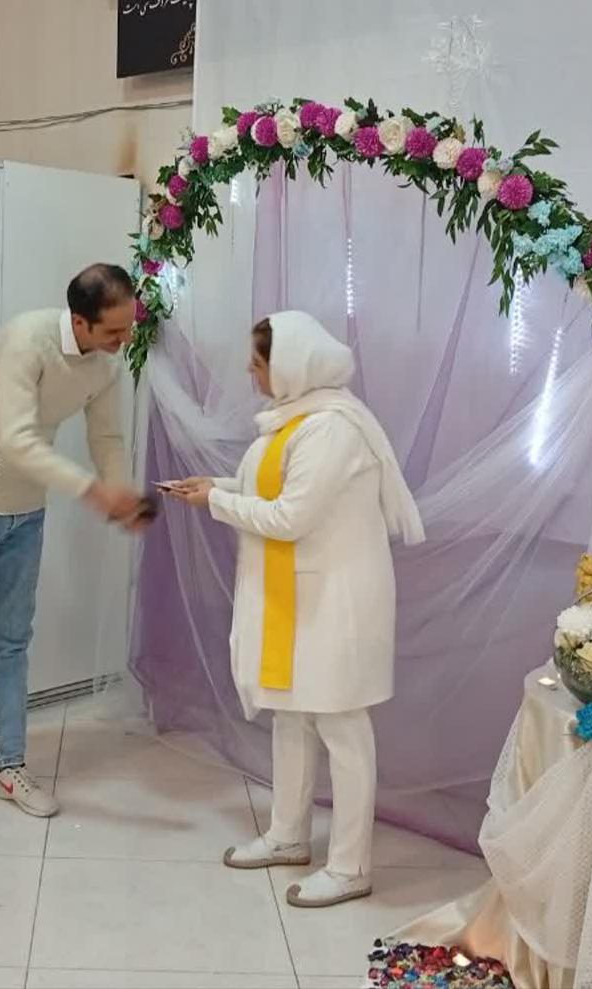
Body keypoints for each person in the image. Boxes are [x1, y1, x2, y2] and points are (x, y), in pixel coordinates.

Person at [169, 311, 425, 907]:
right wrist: (216, 487)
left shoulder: (332, 428)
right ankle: (287, 836)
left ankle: (350, 867)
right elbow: (267, 492)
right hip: (295, 594)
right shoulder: (291, 419)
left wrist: (216, 504)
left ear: (290, 367)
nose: (249, 372)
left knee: (342, 726)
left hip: (335, 599)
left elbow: (290, 516)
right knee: (290, 716)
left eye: (258, 363)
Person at [0, 263, 147, 838]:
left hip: (26, 512)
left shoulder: (105, 363)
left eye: (128, 328)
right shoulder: (27, 340)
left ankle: (9, 768)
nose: (123, 341)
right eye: (114, 331)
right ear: (79, 321)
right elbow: (17, 440)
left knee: (12, 641)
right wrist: (93, 490)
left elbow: (107, 437)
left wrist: (119, 488)